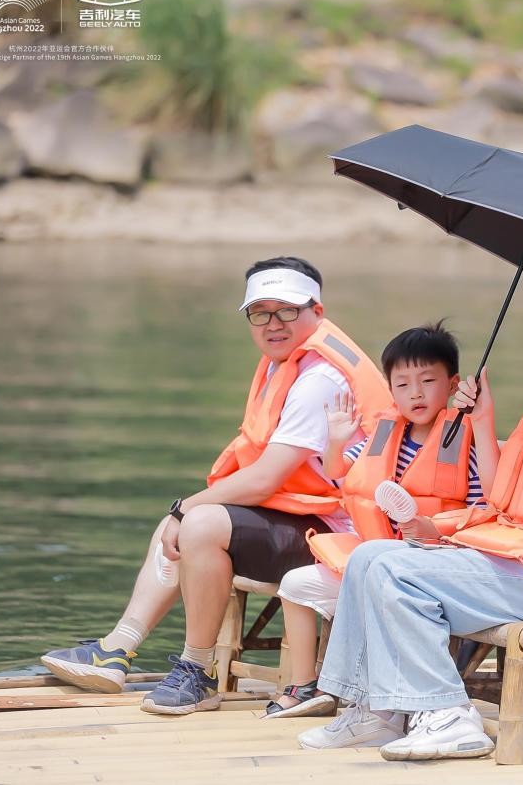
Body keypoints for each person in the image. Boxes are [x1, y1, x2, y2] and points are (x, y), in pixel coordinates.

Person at [296, 280, 523, 761]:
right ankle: (378, 710)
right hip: (522, 558)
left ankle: (449, 715)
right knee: (370, 558)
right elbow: (499, 497)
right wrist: (481, 418)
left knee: (395, 571)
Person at [40, 257, 391, 716]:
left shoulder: (319, 379)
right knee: (183, 518)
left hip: (343, 538)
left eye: (286, 310)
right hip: (306, 519)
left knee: (197, 521)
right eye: (260, 312)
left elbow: (267, 476)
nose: (273, 324)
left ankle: (197, 671)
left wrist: (184, 509)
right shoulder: (283, 363)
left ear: (316, 312)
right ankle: (116, 651)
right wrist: (181, 510)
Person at [266, 322, 491, 718]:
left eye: (427, 381)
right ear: (390, 389)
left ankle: (390, 695)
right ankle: (305, 686)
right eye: (402, 384)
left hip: (430, 564)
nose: (415, 393)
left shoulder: (466, 441)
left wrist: (432, 528)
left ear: (453, 383)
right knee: (295, 584)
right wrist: (336, 440)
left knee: (384, 584)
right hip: (373, 559)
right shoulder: (385, 435)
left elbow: (480, 510)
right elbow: (340, 474)